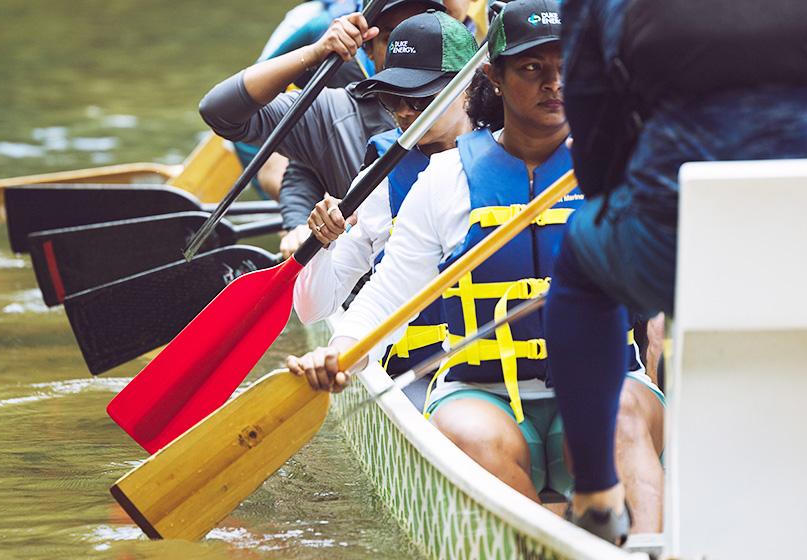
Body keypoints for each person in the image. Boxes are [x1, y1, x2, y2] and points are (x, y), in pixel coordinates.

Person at [285, 0, 664, 530]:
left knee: (619, 416)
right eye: (533, 69)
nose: (554, 83)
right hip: (483, 394)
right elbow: (386, 296)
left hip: (611, 382)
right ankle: (553, 542)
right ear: (495, 77)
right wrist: (343, 352)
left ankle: (646, 546)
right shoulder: (444, 180)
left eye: (567, 66)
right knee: (471, 432)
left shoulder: (622, 165)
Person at [543, 0, 807, 544]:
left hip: (679, 230)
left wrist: (611, 194)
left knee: (581, 265)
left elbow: (591, 116)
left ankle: (596, 498)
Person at [292, 10, 477, 376]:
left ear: (469, 87)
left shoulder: (514, 157)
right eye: (395, 98)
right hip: (411, 374)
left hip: (495, 375)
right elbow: (314, 309)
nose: (406, 112)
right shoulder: (379, 177)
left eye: (422, 98)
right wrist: (319, 248)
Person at [198, 1, 448, 258]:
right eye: (393, 38)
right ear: (368, 47)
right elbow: (219, 112)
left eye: (422, 35)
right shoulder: (335, 105)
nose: (411, 53)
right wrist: (318, 51)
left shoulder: (478, 103)